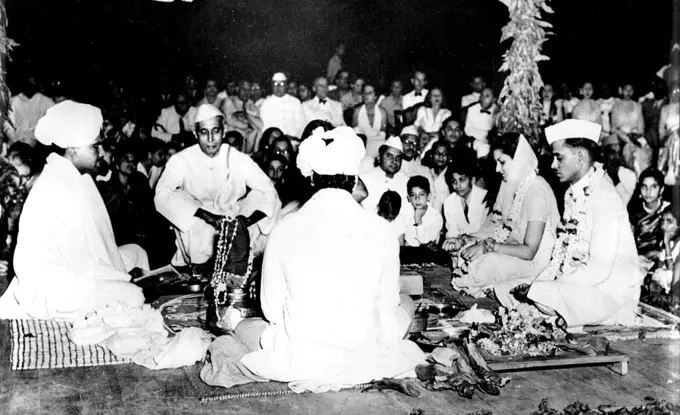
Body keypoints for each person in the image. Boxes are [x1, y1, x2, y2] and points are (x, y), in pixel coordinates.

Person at [200, 126, 425, 391]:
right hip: (365, 350)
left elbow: (271, 310)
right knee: (407, 304)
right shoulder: (383, 230)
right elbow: (388, 306)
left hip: (301, 353)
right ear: (354, 179)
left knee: (244, 325)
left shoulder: (284, 228)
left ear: (311, 180)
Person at [0, 101, 146, 321]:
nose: (102, 153)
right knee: (134, 295)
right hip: (55, 288)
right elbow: (80, 264)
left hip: (78, 272)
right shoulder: (57, 186)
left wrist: (119, 274)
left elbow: (95, 244)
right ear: (73, 149)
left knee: (137, 252)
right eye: (95, 146)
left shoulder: (78, 177)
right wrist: (122, 279)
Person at [512, 119, 643, 330]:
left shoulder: (604, 196)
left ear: (580, 156)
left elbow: (599, 270)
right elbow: (561, 254)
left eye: (558, 157)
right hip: (579, 286)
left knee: (541, 294)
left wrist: (548, 286)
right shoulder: (572, 192)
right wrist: (541, 282)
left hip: (609, 294)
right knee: (526, 290)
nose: (553, 165)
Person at [155, 104, 280, 265]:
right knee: (177, 196)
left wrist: (243, 222)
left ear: (224, 130)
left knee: (259, 194)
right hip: (198, 226)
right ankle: (201, 265)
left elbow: (269, 191)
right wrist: (208, 217)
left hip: (235, 223)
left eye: (216, 131)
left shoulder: (237, 158)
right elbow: (161, 195)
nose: (210, 139)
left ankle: (240, 259)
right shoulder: (181, 160)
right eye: (204, 132)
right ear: (195, 133)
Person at [443, 133, 559, 300]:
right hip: (512, 252)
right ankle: (490, 287)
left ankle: (492, 288)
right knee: (463, 252)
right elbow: (496, 230)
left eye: (502, 162)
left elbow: (529, 252)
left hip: (535, 264)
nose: (498, 169)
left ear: (519, 159)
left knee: (484, 263)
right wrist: (465, 239)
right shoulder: (511, 186)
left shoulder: (537, 191)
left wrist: (486, 247)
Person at [98, 143, 174, 268]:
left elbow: (150, 208)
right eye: (126, 160)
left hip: (140, 230)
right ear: (117, 163)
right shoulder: (108, 186)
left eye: (134, 161)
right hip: (119, 233)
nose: (131, 164)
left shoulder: (140, 180)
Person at [443, 150, 489, 239]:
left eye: (462, 179)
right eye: (454, 181)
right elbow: (452, 233)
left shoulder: (485, 198)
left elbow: (485, 231)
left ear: (472, 180)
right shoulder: (449, 202)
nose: (458, 185)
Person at [611, 82, 651, 176]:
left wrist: (636, 136)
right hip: (621, 138)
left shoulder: (637, 106)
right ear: (621, 91)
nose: (628, 92)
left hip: (636, 137)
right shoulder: (616, 106)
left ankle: (641, 179)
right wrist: (626, 137)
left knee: (642, 152)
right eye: (626, 90)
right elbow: (613, 128)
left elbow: (641, 127)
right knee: (629, 152)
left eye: (630, 90)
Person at [360, 136, 409, 214]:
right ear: (379, 157)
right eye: (389, 156)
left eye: (398, 158)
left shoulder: (406, 181)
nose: (394, 161)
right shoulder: (365, 180)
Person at [629, 168, 669, 257]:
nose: (648, 191)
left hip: (664, 258)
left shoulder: (667, 210)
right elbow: (629, 242)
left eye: (654, 187)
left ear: (661, 189)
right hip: (639, 259)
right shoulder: (634, 211)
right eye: (644, 186)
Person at [7, 75, 55, 147]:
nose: (30, 84)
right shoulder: (14, 101)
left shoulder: (46, 101)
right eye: (28, 82)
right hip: (17, 144)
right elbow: (8, 126)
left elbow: (53, 124)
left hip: (38, 145)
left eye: (33, 82)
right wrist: (16, 141)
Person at [260, 72, 305, 138]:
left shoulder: (295, 102)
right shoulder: (266, 103)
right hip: (272, 139)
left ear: (286, 86)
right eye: (275, 84)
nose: (278, 87)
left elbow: (301, 124)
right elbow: (264, 125)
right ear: (272, 86)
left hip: (292, 139)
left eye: (281, 84)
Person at [402, 175, 444, 247]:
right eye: (413, 195)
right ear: (408, 198)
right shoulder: (405, 211)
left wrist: (418, 220)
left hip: (427, 254)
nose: (417, 199)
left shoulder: (435, 216)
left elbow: (426, 241)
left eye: (421, 194)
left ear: (428, 196)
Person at [223, 80, 263, 154]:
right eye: (243, 89)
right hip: (233, 135)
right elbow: (230, 120)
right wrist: (248, 124)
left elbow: (259, 122)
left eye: (248, 90)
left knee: (258, 131)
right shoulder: (229, 100)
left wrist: (245, 115)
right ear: (238, 89)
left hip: (247, 136)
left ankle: (252, 154)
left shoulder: (251, 103)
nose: (246, 92)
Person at [352, 82, 387, 158]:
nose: (366, 95)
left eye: (370, 93)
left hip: (378, 149)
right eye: (365, 93)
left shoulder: (382, 112)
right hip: (361, 148)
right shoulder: (357, 111)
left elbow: (383, 135)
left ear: (375, 96)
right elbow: (355, 134)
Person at [602, 134, 637, 206]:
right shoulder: (596, 173)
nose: (613, 157)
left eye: (616, 153)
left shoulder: (629, 175)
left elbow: (626, 202)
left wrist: (615, 178)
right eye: (610, 151)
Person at [464, 87, 497, 158]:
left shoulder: (497, 111)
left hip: (493, 142)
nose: (483, 98)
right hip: (475, 140)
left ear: (494, 99)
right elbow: (468, 130)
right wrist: (484, 135)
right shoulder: (472, 109)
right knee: (483, 148)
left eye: (487, 96)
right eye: (482, 95)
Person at [658, 85, 680, 186]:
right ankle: (672, 172)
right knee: (675, 140)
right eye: (673, 92)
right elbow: (661, 132)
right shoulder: (665, 109)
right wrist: (671, 132)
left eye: (678, 92)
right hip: (669, 139)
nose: (676, 95)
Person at [422, 140, 451, 211]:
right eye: (437, 153)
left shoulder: (451, 177)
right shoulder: (426, 173)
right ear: (431, 156)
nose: (441, 156)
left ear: (449, 158)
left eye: (444, 154)